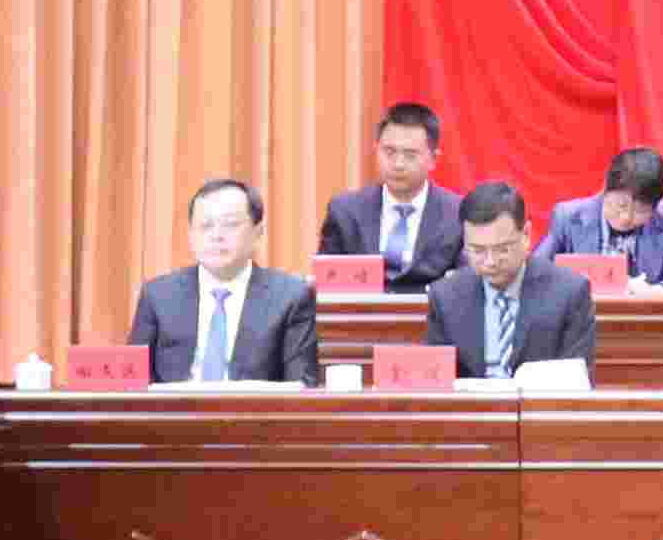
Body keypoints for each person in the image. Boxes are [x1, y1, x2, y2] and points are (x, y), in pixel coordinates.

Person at [129, 177, 319, 385]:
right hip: (174, 406)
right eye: (205, 226)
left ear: (258, 232)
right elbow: (133, 379)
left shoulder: (290, 297)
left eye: (230, 225)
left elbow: (301, 385)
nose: (216, 236)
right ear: (191, 234)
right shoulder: (158, 296)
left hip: (254, 406)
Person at [417, 182, 598, 380]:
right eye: (477, 250)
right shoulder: (445, 297)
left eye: (502, 249)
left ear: (526, 235)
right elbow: (436, 380)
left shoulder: (570, 293)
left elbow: (575, 380)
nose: (490, 262)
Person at [314, 103, 467, 290]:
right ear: (376, 150)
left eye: (410, 155)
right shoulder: (345, 210)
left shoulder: (458, 214)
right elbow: (326, 281)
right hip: (361, 308)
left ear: (433, 159)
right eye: (389, 152)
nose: (398, 164)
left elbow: (466, 286)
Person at [541, 145, 663, 292]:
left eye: (640, 211)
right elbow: (537, 267)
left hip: (640, 314)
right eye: (621, 205)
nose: (626, 218)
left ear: (655, 207)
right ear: (606, 189)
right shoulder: (569, 216)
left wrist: (655, 291)